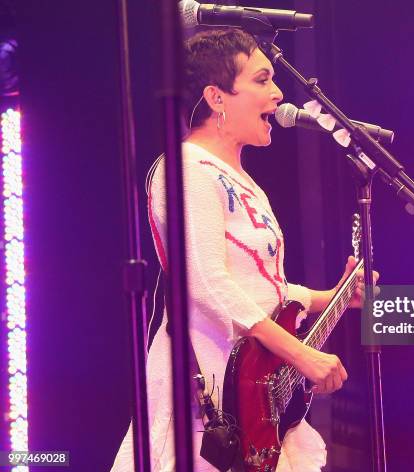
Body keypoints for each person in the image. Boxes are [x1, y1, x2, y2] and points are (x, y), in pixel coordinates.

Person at [111, 28, 378, 472]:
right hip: (208, 405)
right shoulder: (188, 170)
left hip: (254, 407)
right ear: (216, 97)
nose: (277, 94)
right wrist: (301, 354)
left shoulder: (244, 181)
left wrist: (327, 298)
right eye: (262, 79)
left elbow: (258, 285)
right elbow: (207, 283)